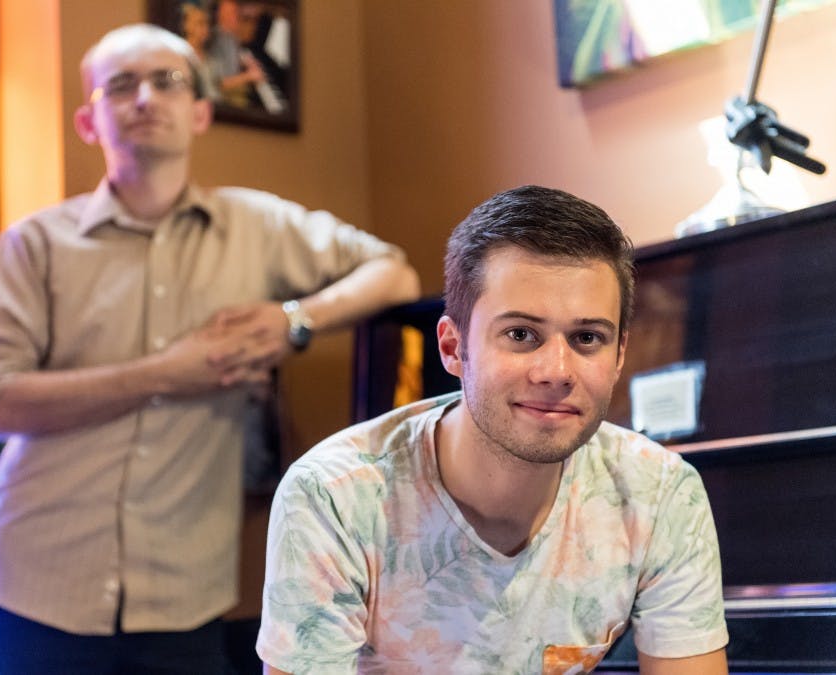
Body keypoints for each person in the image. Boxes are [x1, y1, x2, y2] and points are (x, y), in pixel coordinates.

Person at [0, 22, 419, 674]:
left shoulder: (257, 224)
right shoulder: (33, 243)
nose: (146, 97)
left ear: (201, 111)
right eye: (121, 85)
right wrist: (166, 371)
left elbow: (394, 272)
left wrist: (296, 319)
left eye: (168, 81)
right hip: (33, 584)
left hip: (185, 597)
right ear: (88, 121)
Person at [257, 186, 729, 674]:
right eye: (521, 335)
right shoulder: (334, 497)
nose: (557, 371)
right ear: (452, 347)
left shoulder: (662, 493)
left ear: (619, 356)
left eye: (587, 338)